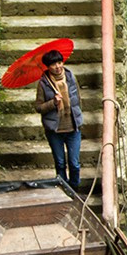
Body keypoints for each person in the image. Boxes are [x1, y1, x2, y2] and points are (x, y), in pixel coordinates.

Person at [34, 49, 83, 189]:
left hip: (73, 127)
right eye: (54, 64)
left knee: (74, 163)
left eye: (60, 62)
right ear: (48, 67)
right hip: (55, 130)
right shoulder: (44, 84)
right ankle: (63, 189)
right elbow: (38, 107)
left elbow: (78, 98)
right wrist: (53, 103)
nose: (58, 67)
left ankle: (74, 189)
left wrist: (78, 117)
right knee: (60, 163)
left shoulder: (71, 77)